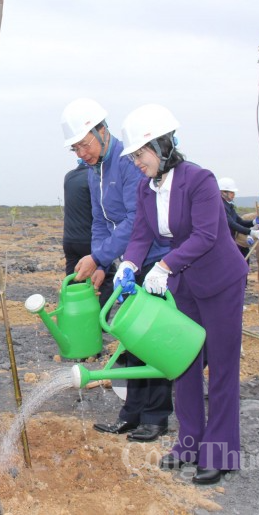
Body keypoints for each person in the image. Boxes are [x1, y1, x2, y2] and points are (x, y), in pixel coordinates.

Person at [116, 104, 247, 485]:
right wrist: (129, 264)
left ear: (162, 145)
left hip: (220, 281)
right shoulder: (146, 188)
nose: (137, 162)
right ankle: (189, 443)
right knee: (183, 362)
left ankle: (219, 452)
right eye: (134, 156)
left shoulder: (199, 180)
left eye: (140, 154)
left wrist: (165, 265)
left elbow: (207, 235)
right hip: (183, 287)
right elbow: (141, 234)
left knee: (222, 365)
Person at [61, 98, 172, 443]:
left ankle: (155, 417)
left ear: (102, 131)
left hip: (153, 261)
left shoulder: (127, 162)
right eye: (75, 147)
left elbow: (135, 220)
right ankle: (132, 414)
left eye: (84, 143)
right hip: (127, 265)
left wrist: (99, 258)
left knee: (151, 338)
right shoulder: (94, 173)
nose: (81, 153)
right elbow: (100, 221)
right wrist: (102, 260)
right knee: (131, 338)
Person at [217, 177, 259, 259]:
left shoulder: (229, 206)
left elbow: (239, 221)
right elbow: (231, 224)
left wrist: (253, 222)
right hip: (221, 242)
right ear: (223, 192)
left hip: (229, 240)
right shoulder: (220, 206)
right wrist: (252, 232)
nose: (234, 195)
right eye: (232, 192)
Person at [62, 154, 92, 276]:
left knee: (72, 278)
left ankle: (69, 295)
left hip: (69, 240)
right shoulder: (92, 177)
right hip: (88, 240)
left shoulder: (69, 177)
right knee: (104, 278)